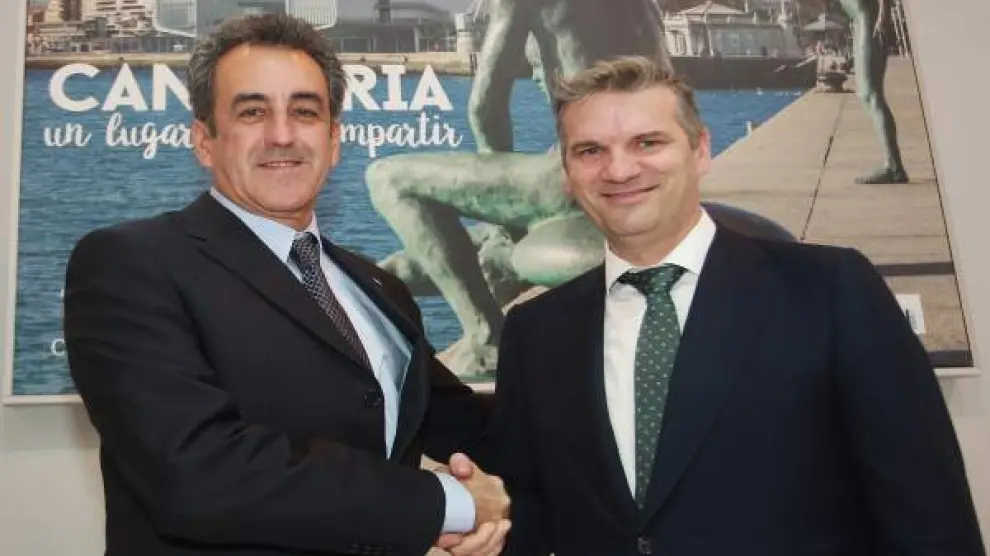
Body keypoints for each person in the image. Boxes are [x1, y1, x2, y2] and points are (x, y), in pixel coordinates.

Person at [476, 55, 986, 555]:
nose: (621, 169)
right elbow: (530, 511)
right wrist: (478, 529)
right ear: (568, 173)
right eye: (590, 151)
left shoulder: (830, 290)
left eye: (648, 142)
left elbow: (928, 514)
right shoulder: (536, 331)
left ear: (700, 150)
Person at [63, 14, 509, 556]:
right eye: (252, 112)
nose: (282, 134)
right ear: (204, 141)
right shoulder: (130, 264)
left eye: (305, 111)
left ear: (334, 139)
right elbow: (196, 472)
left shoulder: (378, 287)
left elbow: (469, 429)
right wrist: (448, 503)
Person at [366, 0, 791, 376]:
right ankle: (381, 295)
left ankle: (485, 338)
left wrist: (502, 220)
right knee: (416, 263)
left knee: (388, 178)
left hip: (575, 176)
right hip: (642, 168)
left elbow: (485, 106)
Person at [840, 0, 910, 184]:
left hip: (870, 21)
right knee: (865, 94)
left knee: (871, 94)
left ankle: (894, 166)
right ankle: (893, 163)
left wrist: (883, 15)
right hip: (860, 22)